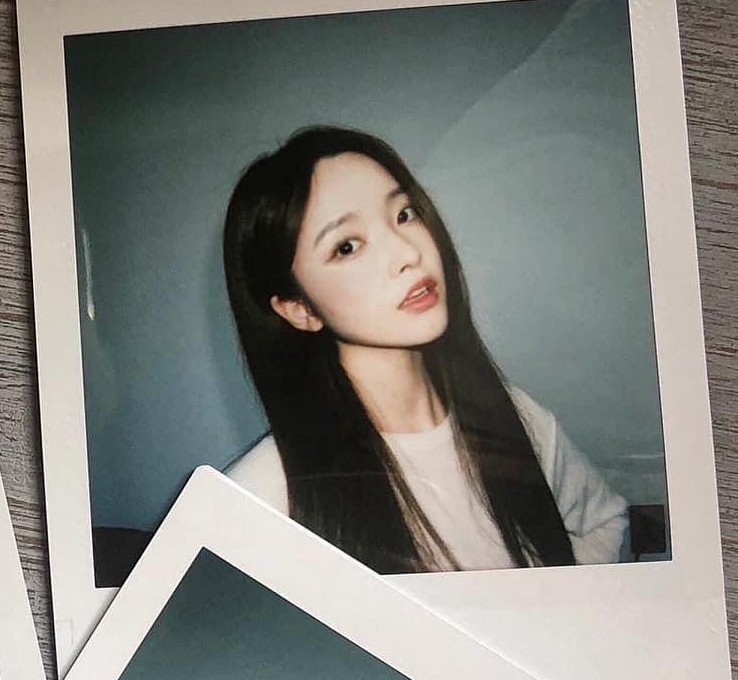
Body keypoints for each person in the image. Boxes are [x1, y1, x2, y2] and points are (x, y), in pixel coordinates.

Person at [222, 126, 629, 573]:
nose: (408, 253)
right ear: (299, 309)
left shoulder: (517, 419)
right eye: (347, 246)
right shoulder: (262, 498)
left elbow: (606, 523)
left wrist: (549, 604)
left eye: (404, 213)